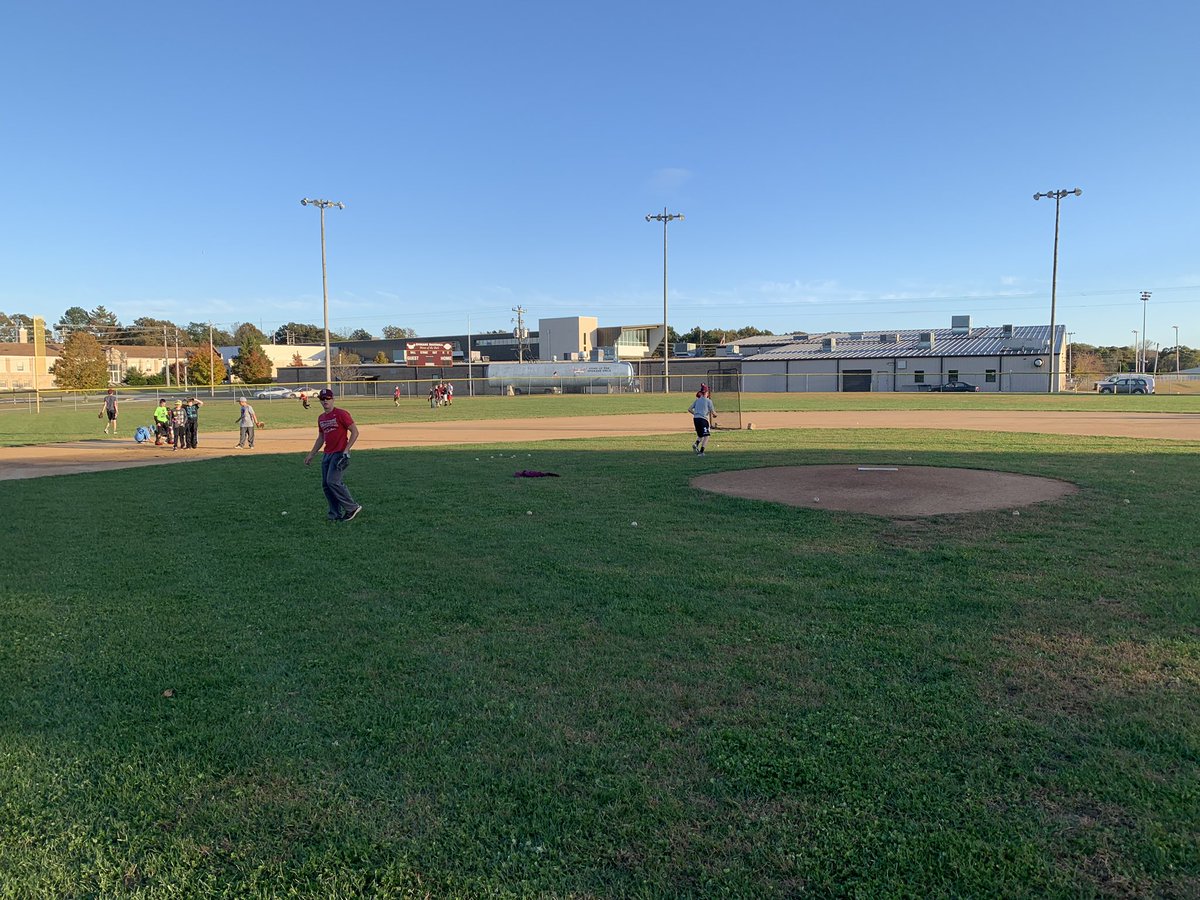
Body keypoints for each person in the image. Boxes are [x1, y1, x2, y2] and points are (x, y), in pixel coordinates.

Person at [304, 389, 362, 522]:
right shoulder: (321, 418)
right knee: (326, 484)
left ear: (333, 399)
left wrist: (347, 450)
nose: (325, 401)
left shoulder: (341, 414)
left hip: (340, 452)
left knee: (333, 481)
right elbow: (321, 437)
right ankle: (334, 514)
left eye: (328, 398)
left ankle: (352, 507)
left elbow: (355, 432)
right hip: (327, 454)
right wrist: (311, 454)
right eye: (322, 399)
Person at [688, 384, 716, 455]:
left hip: (696, 419)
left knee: (700, 435)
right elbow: (713, 413)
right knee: (706, 436)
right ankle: (701, 452)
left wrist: (696, 413)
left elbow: (689, 409)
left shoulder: (697, 400)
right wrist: (715, 415)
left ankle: (696, 444)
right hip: (703, 420)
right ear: (707, 392)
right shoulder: (709, 401)